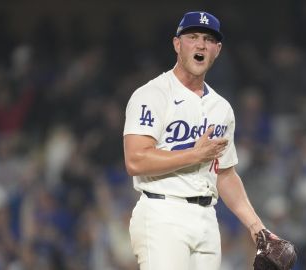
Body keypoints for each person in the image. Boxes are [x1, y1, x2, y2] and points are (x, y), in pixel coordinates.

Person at [123, 11, 275, 269]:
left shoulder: (221, 108)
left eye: (208, 39)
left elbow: (224, 174)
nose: (201, 44)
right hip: (162, 212)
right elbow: (136, 160)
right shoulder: (152, 95)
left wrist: (257, 228)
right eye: (192, 36)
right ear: (177, 44)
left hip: (206, 218)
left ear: (217, 49)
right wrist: (195, 154)